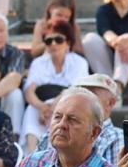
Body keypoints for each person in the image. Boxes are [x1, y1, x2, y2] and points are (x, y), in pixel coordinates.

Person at [21, 18, 89, 152]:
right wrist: (41, 107)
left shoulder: (79, 62)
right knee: (31, 110)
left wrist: (53, 108)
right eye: (48, 41)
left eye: (58, 40)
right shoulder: (38, 63)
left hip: (69, 104)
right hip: (43, 106)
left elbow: (77, 89)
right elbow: (29, 91)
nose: (53, 44)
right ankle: (31, 155)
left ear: (68, 43)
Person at [73, 74, 126, 167]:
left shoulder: (117, 137)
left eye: (91, 95)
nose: (82, 100)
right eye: (80, 94)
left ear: (111, 103)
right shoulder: (61, 127)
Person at [28, 0, 84, 64]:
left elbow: (80, 51)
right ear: (51, 10)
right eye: (59, 15)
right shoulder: (41, 25)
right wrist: (52, 42)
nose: (62, 19)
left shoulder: (73, 26)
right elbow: (34, 52)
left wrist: (66, 43)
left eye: (66, 17)